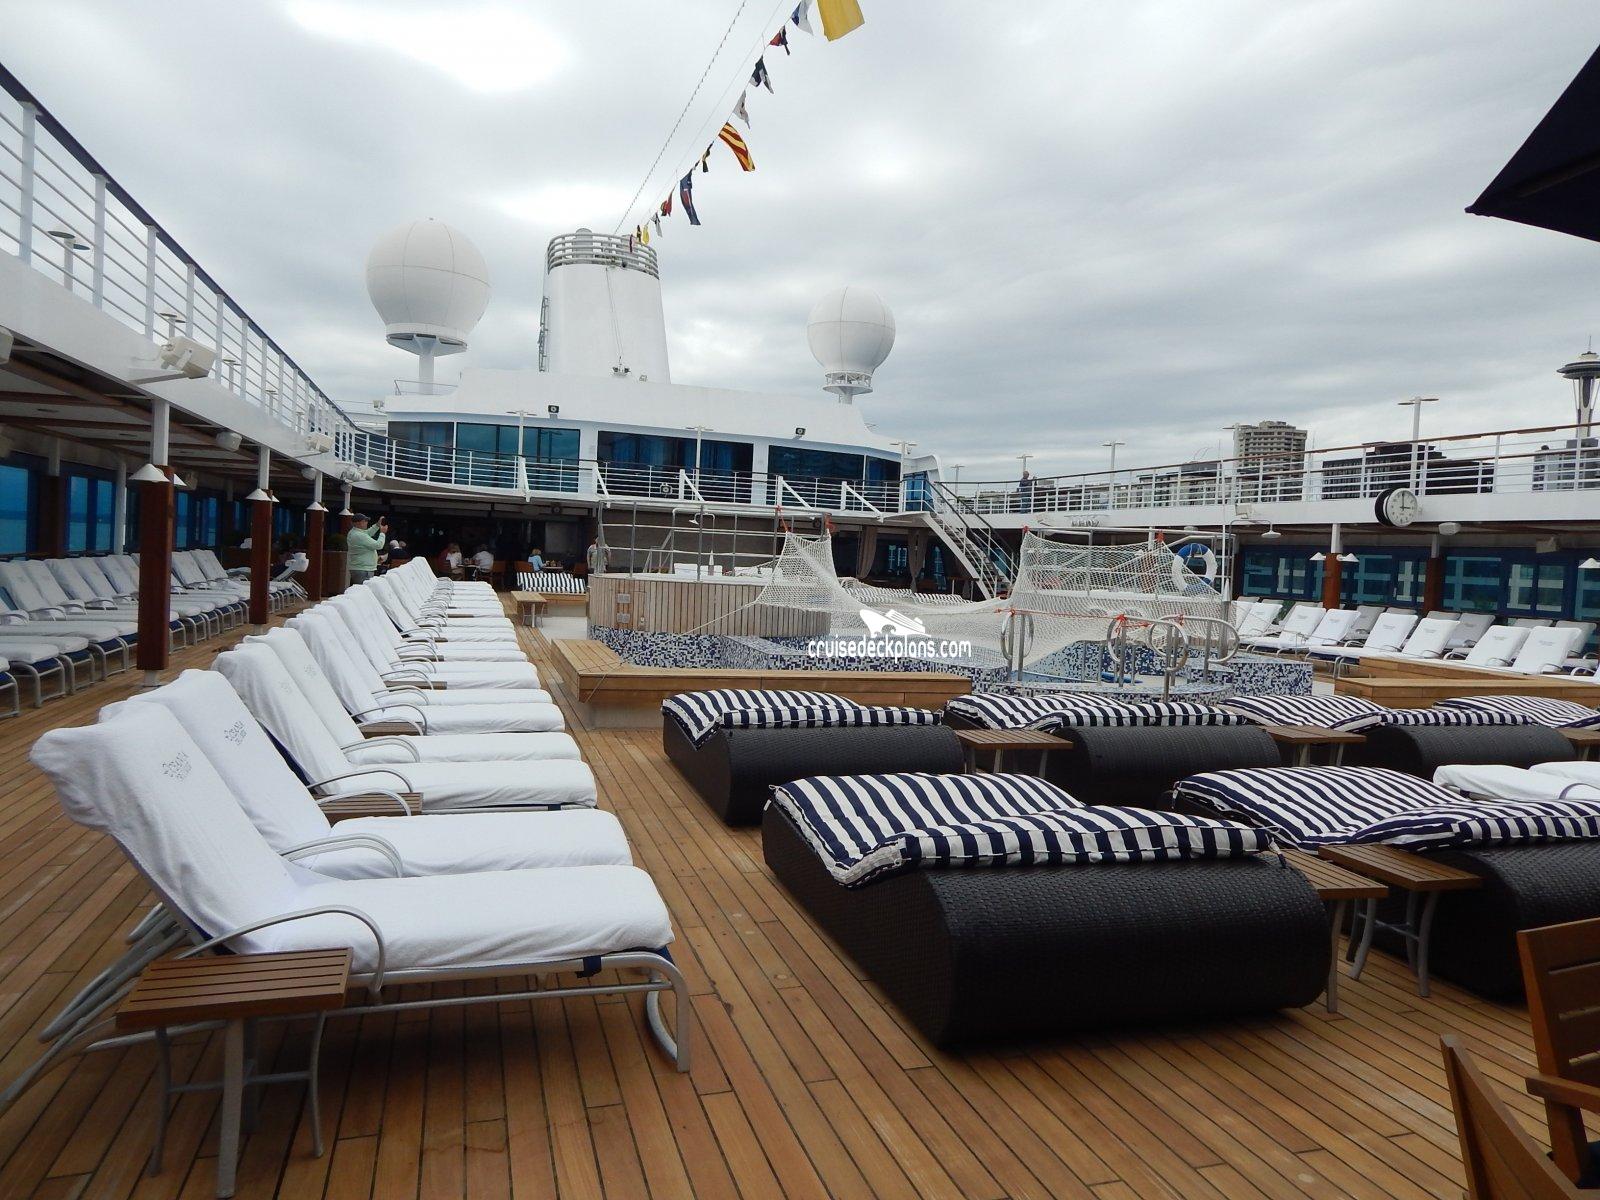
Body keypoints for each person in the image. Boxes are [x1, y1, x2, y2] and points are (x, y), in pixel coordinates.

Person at [346, 513, 387, 584]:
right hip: (363, 569)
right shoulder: (359, 535)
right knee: (363, 590)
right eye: (365, 521)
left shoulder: (355, 532)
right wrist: (382, 533)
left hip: (361, 568)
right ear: (358, 523)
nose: (367, 522)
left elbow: (367, 533)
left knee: (360, 589)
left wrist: (377, 525)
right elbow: (378, 545)